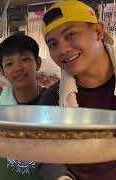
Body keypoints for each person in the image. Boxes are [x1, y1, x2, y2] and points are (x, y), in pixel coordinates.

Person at [39, 0, 116, 179]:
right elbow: (45, 151)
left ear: (97, 31)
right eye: (53, 44)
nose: (63, 49)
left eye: (71, 34)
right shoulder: (53, 98)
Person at [0, 34, 45, 180]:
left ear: (38, 63)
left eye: (25, 59)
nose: (18, 68)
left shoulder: (52, 102)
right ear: (2, 72)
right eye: (9, 63)